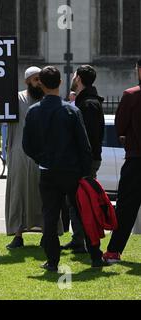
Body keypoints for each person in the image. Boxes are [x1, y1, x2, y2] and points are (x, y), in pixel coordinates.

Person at [22, 66, 107, 271]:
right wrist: (85, 172)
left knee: (50, 216)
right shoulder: (71, 110)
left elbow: (27, 145)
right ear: (60, 83)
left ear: (40, 84)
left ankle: (53, 261)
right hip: (72, 171)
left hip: (48, 170)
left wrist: (41, 158)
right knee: (83, 213)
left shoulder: (34, 111)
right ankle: (95, 256)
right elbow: (84, 145)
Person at [61, 65, 105, 253]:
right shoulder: (86, 101)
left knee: (82, 203)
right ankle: (79, 239)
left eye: (74, 75)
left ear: (78, 78)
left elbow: (87, 137)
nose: (72, 77)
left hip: (84, 161)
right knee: (75, 202)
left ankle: (88, 242)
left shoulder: (88, 104)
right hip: (82, 160)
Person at [103, 59, 141, 264]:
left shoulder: (132, 95)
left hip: (136, 159)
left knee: (126, 207)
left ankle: (114, 250)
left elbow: (120, 126)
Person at [5, 66, 45, 249]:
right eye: (35, 79)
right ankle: (18, 235)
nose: (39, 82)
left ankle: (47, 234)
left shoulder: (47, 99)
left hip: (43, 156)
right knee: (18, 194)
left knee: (44, 195)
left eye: (40, 78)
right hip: (20, 154)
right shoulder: (17, 99)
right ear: (27, 81)